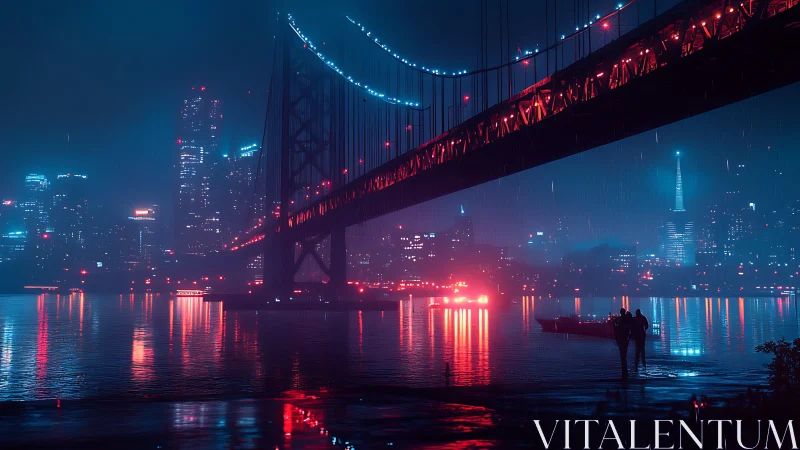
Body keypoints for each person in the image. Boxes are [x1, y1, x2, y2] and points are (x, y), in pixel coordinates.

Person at [613, 308, 632, 380]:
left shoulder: (619, 320)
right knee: (624, 353)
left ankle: (624, 371)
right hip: (625, 338)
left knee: (622, 354)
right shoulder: (626, 319)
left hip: (621, 338)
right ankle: (625, 371)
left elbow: (616, 328)